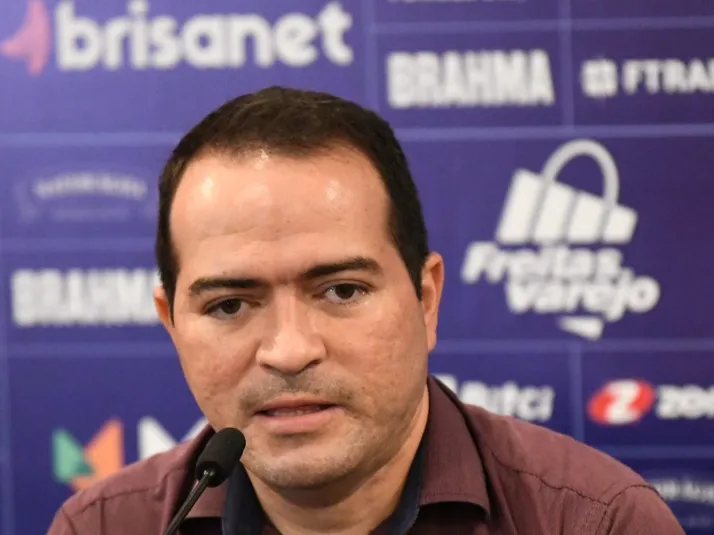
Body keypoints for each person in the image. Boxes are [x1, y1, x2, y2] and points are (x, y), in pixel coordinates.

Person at [46, 86, 684, 535]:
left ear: (426, 299)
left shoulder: (596, 521)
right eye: (230, 304)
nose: (290, 350)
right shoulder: (104, 525)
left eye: (342, 291)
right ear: (172, 325)